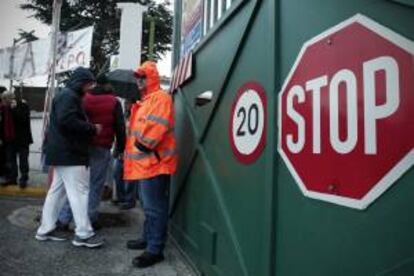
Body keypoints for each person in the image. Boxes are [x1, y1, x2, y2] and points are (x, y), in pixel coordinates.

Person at [35, 67, 104, 248]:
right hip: (71, 154)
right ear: (81, 82)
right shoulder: (70, 96)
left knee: (56, 192)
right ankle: (83, 234)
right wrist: (92, 128)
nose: (91, 87)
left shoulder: (66, 94)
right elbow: (68, 121)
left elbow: (65, 120)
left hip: (61, 153)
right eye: (89, 83)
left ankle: (45, 229)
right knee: (79, 193)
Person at [124, 61, 178, 268]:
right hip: (145, 164)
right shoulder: (145, 101)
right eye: (138, 77)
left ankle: (155, 249)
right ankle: (148, 239)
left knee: (154, 208)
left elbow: (158, 125)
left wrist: (145, 144)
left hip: (154, 163)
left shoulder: (160, 98)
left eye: (143, 77)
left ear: (152, 78)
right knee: (149, 207)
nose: (139, 81)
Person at [57, 73, 125, 230]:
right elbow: (120, 128)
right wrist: (120, 148)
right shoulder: (114, 102)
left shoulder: (84, 98)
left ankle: (64, 218)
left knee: (77, 185)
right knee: (95, 185)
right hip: (102, 148)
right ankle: (91, 218)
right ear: (107, 85)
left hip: (82, 147)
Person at [1, 91, 33, 188]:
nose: (2, 101)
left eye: (4, 99)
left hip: (22, 139)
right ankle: (12, 179)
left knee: (23, 160)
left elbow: (23, 119)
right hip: (9, 139)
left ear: (10, 99)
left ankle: (23, 178)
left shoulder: (22, 105)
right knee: (11, 160)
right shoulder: (3, 109)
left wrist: (14, 109)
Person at [0, 86, 7, 178]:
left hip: (6, 136)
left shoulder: (6, 105)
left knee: (5, 156)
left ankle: (4, 173)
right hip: (2, 136)